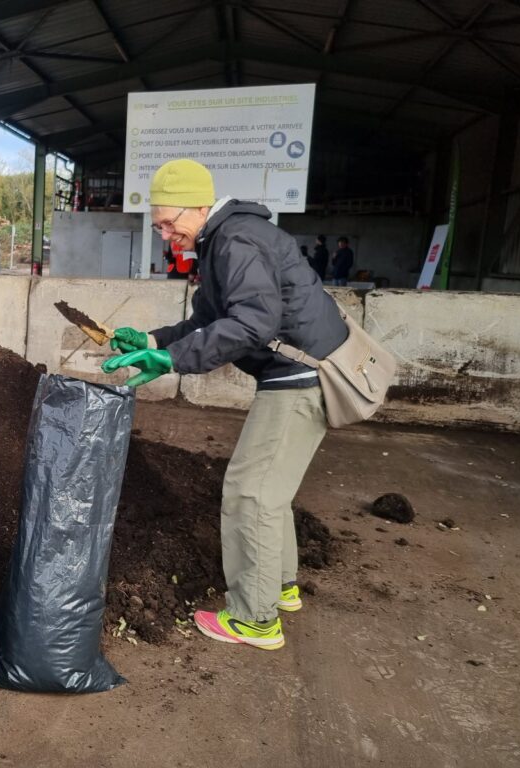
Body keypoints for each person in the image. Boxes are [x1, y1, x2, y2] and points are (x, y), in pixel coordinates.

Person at [101, 159, 347, 651]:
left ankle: (255, 618)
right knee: (267, 489)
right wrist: (154, 339)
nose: (167, 234)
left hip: (301, 376)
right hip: (297, 374)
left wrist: (171, 358)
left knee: (249, 491)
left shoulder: (234, 241)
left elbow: (253, 324)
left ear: (199, 205)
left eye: (171, 222)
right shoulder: (223, 240)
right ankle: (281, 587)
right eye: (159, 227)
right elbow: (209, 320)